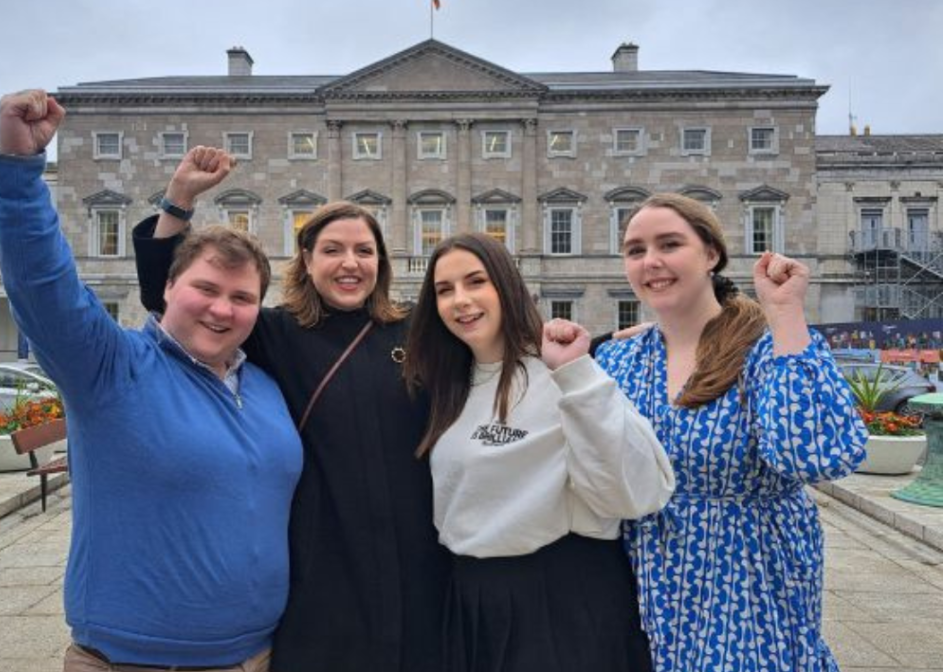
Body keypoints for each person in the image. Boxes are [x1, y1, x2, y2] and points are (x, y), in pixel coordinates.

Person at [0, 90, 302, 672]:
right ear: (169, 290)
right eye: (206, 289)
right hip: (137, 660)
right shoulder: (112, 368)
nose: (222, 310)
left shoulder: (264, 386)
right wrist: (19, 175)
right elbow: (43, 284)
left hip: (257, 654)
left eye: (242, 298)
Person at [134, 173, 450, 672]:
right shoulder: (274, 331)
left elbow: (494, 341)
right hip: (324, 557)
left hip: (417, 552)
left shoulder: (415, 329)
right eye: (333, 250)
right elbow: (167, 296)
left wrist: (608, 341)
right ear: (306, 259)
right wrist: (178, 201)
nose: (350, 263)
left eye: (364, 251)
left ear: (380, 263)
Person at [596, 192, 868, 672]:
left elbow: (817, 457)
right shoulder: (620, 359)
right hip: (647, 576)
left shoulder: (770, 347)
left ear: (711, 254)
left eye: (669, 244)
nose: (650, 262)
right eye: (635, 250)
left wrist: (785, 313)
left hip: (748, 574)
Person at [402, 232, 676, 672]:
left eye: (476, 282)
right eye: (444, 290)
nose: (460, 300)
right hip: (471, 600)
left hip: (557, 599)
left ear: (507, 287)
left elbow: (638, 494)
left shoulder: (563, 373)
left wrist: (577, 373)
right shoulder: (447, 386)